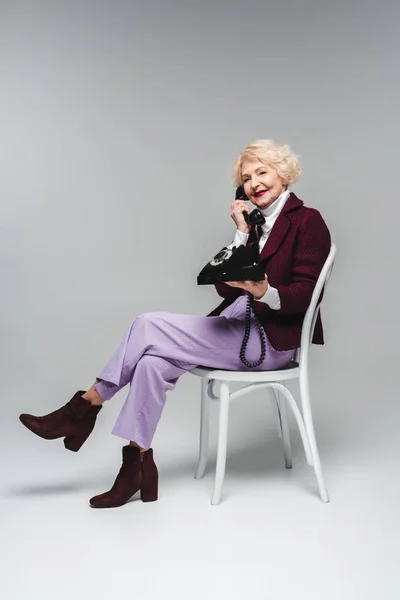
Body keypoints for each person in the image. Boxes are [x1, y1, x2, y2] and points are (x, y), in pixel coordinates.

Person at [19, 139, 331, 509]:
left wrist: (264, 290)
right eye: (246, 178)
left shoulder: (307, 221)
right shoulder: (256, 225)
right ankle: (136, 467)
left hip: (270, 342)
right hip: (237, 327)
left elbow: (307, 295)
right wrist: (242, 235)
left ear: (284, 173)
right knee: (152, 363)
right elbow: (222, 285)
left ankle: (84, 408)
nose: (254, 183)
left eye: (262, 172)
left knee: (147, 325)